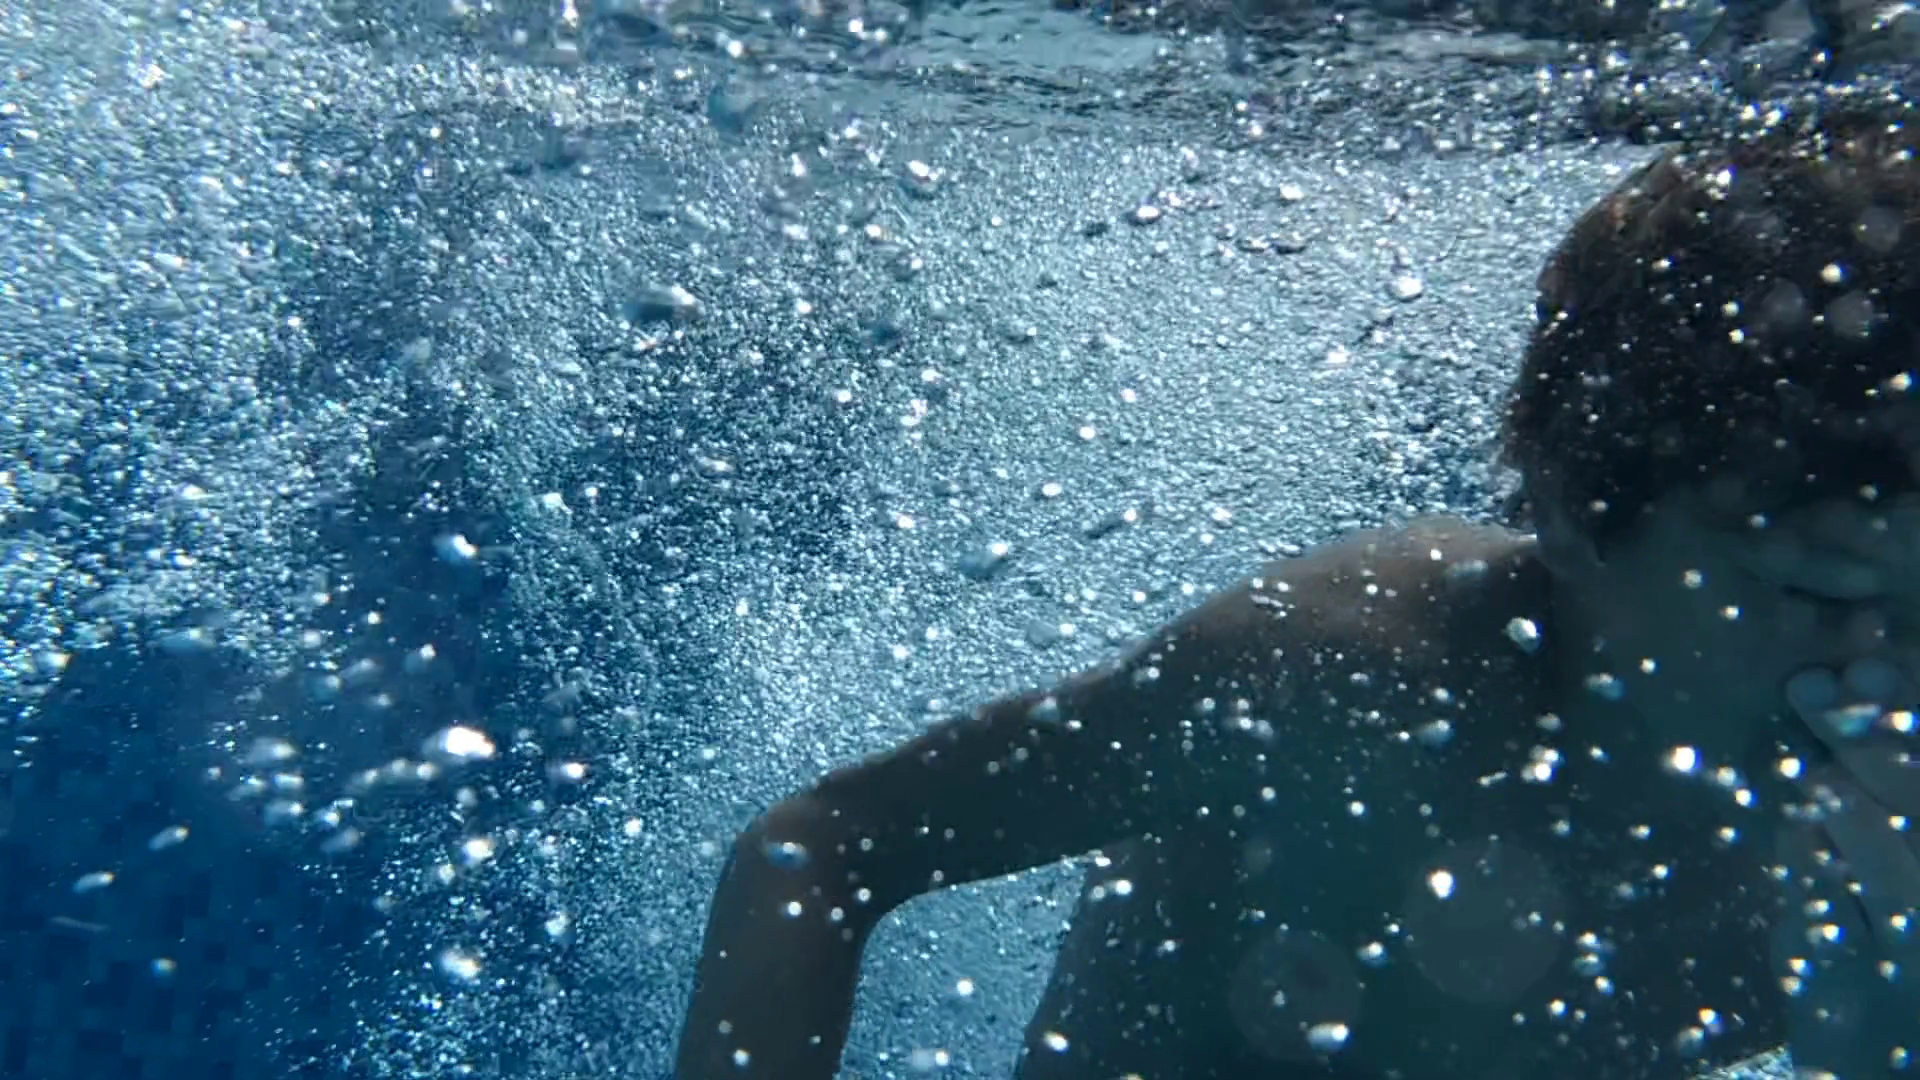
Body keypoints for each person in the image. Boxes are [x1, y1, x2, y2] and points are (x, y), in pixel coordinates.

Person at [674, 110, 1920, 1079]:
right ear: (1566, 509)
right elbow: (820, 849)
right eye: (1815, 590)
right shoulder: (1350, 673)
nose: (1893, 657)